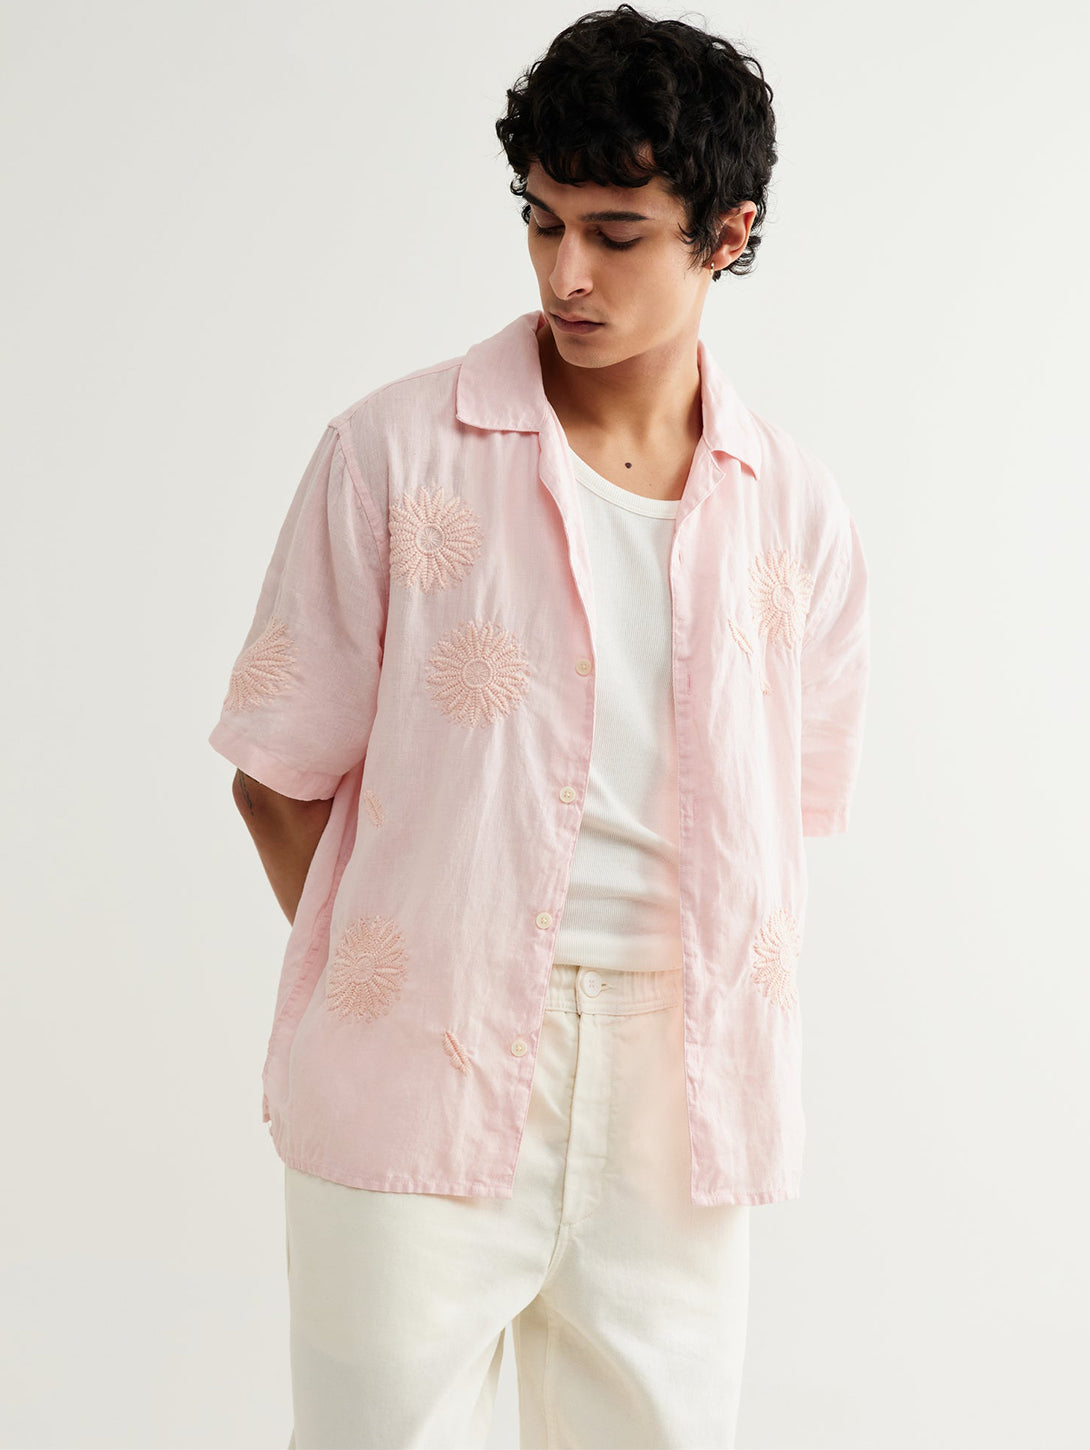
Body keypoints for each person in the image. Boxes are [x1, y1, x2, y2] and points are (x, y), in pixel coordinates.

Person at [208, 6, 871, 1447]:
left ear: (727, 234)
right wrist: (407, 962)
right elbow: (276, 773)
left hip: (678, 1086)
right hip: (417, 1053)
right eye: (540, 220)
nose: (566, 272)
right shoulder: (392, 454)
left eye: (616, 234)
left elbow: (781, 821)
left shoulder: (797, 512)